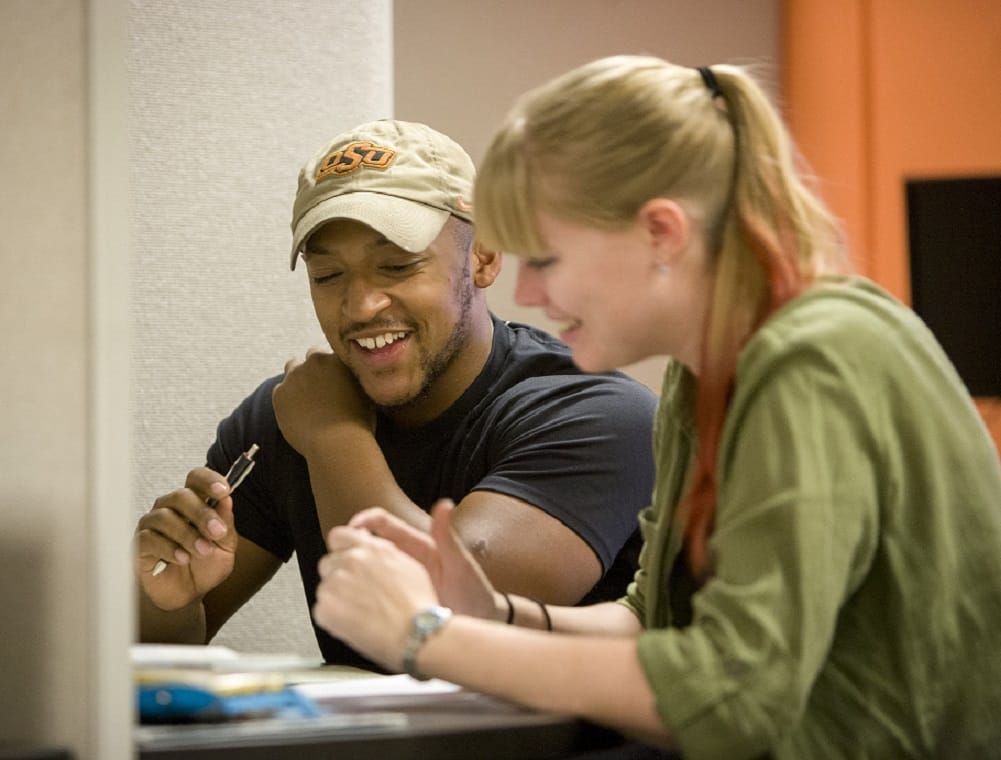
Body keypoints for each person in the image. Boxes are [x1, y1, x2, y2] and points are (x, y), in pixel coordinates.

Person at [311, 57, 1001, 757]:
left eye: (546, 259)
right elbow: (657, 621)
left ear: (661, 234)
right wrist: (492, 615)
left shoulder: (813, 359)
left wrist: (430, 640)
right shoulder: (698, 372)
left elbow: (732, 695)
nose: (529, 293)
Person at [134, 119, 659, 670]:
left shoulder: (597, 414)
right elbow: (158, 654)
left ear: (483, 257)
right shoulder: (288, 416)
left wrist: (334, 437)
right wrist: (167, 597)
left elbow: (442, 613)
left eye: (397, 266)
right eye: (328, 275)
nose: (360, 306)